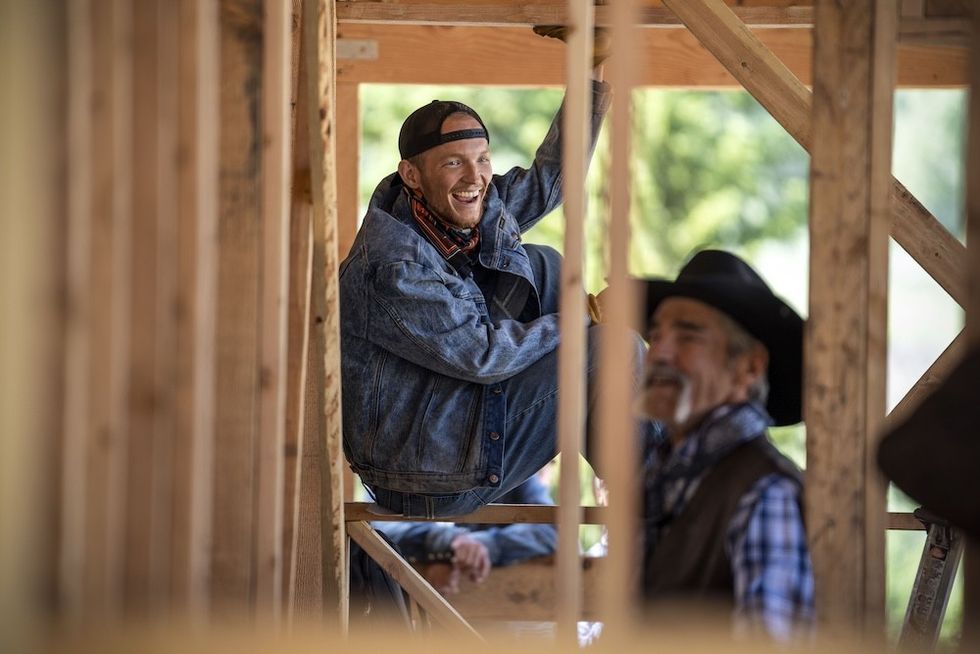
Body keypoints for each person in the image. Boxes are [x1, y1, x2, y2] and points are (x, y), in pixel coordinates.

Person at [338, 68, 647, 519]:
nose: (475, 177)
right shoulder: (392, 266)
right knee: (611, 348)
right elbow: (481, 356)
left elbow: (548, 182)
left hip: (446, 413)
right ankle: (656, 498)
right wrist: (584, 315)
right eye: (453, 163)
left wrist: (591, 76)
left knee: (544, 265)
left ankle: (620, 467)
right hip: (423, 472)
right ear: (412, 174)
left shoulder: (453, 208)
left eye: (482, 159)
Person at [630, 249, 814, 641]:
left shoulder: (765, 492)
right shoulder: (664, 474)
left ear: (749, 367)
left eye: (688, 336)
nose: (658, 352)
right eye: (657, 335)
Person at [376, 472, 557, 595]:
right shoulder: (401, 466)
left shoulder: (518, 471)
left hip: (496, 618)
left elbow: (552, 530)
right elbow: (376, 526)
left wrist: (481, 546)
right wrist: (449, 543)